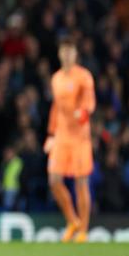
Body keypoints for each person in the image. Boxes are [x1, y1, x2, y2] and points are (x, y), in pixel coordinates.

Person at [43, 36, 96, 242]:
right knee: (54, 180)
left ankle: (83, 230)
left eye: (70, 51)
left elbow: (89, 101)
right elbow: (56, 107)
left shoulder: (84, 77)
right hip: (62, 135)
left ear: (75, 54)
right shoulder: (56, 79)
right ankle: (72, 220)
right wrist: (51, 134)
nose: (66, 55)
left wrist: (83, 113)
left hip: (80, 137)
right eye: (63, 51)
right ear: (59, 54)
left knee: (81, 182)